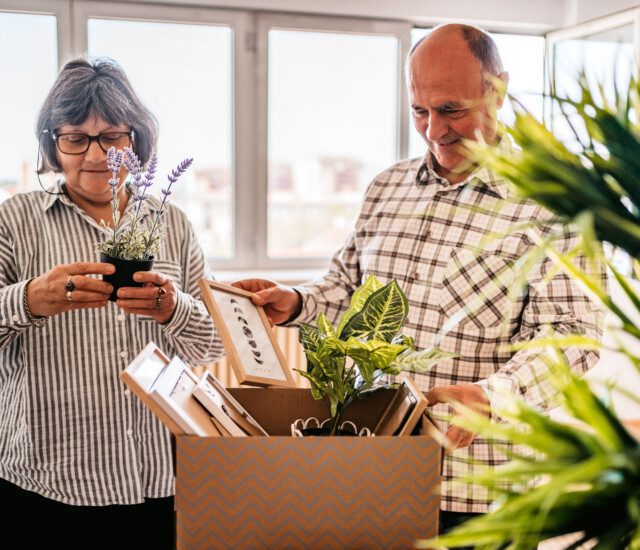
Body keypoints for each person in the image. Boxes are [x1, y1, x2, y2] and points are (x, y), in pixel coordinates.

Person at [235, 23, 605, 533]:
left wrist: (492, 396)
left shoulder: (555, 204)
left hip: (481, 485)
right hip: (375, 467)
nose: (434, 130)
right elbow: (346, 289)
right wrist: (297, 303)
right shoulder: (387, 187)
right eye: (419, 111)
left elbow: (573, 337)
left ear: (497, 90)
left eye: (452, 109)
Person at [0, 57, 223, 549]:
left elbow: (212, 342)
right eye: (75, 139)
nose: (96, 155)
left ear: (135, 141)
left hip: (156, 477)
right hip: (47, 480)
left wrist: (172, 308)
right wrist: (32, 298)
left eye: (112, 137)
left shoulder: (173, 224)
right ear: (52, 146)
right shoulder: (14, 221)